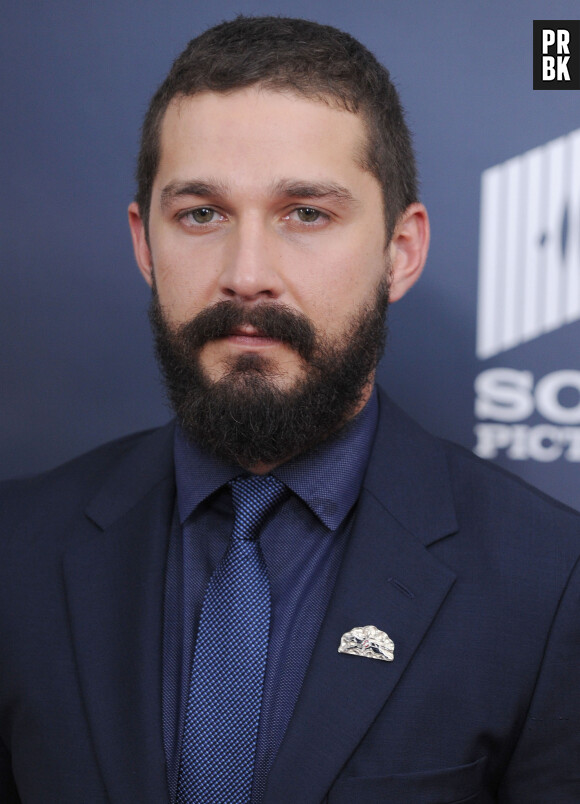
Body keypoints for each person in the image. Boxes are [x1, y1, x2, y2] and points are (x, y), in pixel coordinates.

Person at [1, 15, 579, 804]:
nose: (247, 275)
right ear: (144, 245)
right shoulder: (17, 550)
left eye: (306, 213)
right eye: (201, 213)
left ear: (400, 252)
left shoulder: (549, 583)